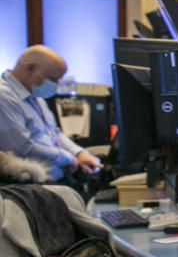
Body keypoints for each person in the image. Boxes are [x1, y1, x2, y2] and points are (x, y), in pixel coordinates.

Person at [0, 45, 102, 183]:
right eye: (53, 79)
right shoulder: (4, 96)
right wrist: (67, 157)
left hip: (58, 176)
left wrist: (79, 153)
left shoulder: (34, 94)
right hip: (33, 184)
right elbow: (24, 148)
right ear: (31, 68)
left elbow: (55, 132)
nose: (56, 84)